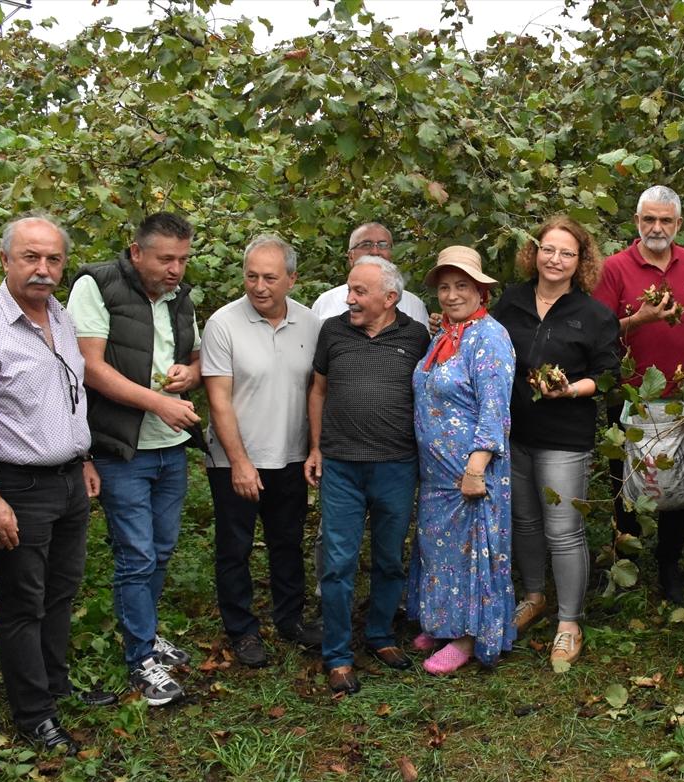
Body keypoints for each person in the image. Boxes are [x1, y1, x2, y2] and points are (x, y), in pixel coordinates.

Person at [0, 215, 112, 749]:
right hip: (17, 485)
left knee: (61, 592)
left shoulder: (60, 316)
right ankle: (33, 714)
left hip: (68, 480)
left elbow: (68, 395)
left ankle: (56, 684)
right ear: (5, 260)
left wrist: (85, 456)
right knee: (24, 601)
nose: (43, 270)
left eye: (53, 259)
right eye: (31, 258)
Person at [67, 212, 203, 706]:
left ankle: (144, 632)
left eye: (183, 260)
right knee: (136, 554)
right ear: (136, 250)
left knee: (161, 549)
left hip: (170, 448)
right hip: (121, 447)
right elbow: (91, 368)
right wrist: (158, 402)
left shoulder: (179, 297)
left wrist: (188, 375)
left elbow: (193, 357)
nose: (176, 270)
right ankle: (139, 656)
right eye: (166, 259)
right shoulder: (96, 285)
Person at [493, 216, 620, 667]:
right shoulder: (509, 303)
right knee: (524, 522)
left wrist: (571, 389)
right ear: (535, 252)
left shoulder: (594, 315)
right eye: (549, 249)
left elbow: (609, 378)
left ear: (580, 261)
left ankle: (570, 621)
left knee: (564, 531)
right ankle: (533, 596)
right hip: (514, 433)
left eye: (567, 252)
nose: (556, 259)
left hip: (565, 438)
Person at [305, 254, 429, 694]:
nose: (349, 298)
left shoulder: (417, 337)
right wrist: (316, 447)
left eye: (360, 291)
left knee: (390, 557)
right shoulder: (333, 331)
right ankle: (337, 654)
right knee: (337, 562)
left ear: (390, 298)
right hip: (341, 465)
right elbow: (318, 390)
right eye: (349, 289)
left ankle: (379, 636)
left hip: (396, 465)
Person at [591, 185, 684, 605]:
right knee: (626, 486)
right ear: (637, 222)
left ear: (679, 224)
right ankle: (623, 562)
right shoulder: (615, 267)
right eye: (650, 219)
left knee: (677, 487)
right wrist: (639, 319)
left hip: (681, 394)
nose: (657, 228)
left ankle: (669, 567)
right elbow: (598, 332)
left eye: (666, 220)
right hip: (629, 396)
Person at [201, 235, 322, 668]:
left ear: (292, 278)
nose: (259, 286)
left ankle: (290, 619)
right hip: (234, 460)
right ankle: (243, 631)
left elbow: (317, 390)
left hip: (290, 456)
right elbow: (218, 399)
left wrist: (314, 448)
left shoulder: (311, 324)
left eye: (270, 277)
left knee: (287, 542)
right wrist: (239, 463)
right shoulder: (223, 324)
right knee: (234, 548)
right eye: (251, 276)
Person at [408, 246, 516, 675]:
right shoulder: (446, 335)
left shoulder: (490, 336)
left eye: (462, 286)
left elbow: (495, 409)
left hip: (470, 470)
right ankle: (443, 623)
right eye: (446, 287)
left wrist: (476, 468)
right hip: (436, 473)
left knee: (472, 552)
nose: (452, 295)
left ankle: (471, 636)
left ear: (481, 290)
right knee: (439, 550)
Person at [311, 222, 429, 323]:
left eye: (383, 245)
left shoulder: (414, 305)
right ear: (351, 256)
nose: (375, 251)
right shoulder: (326, 303)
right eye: (366, 244)